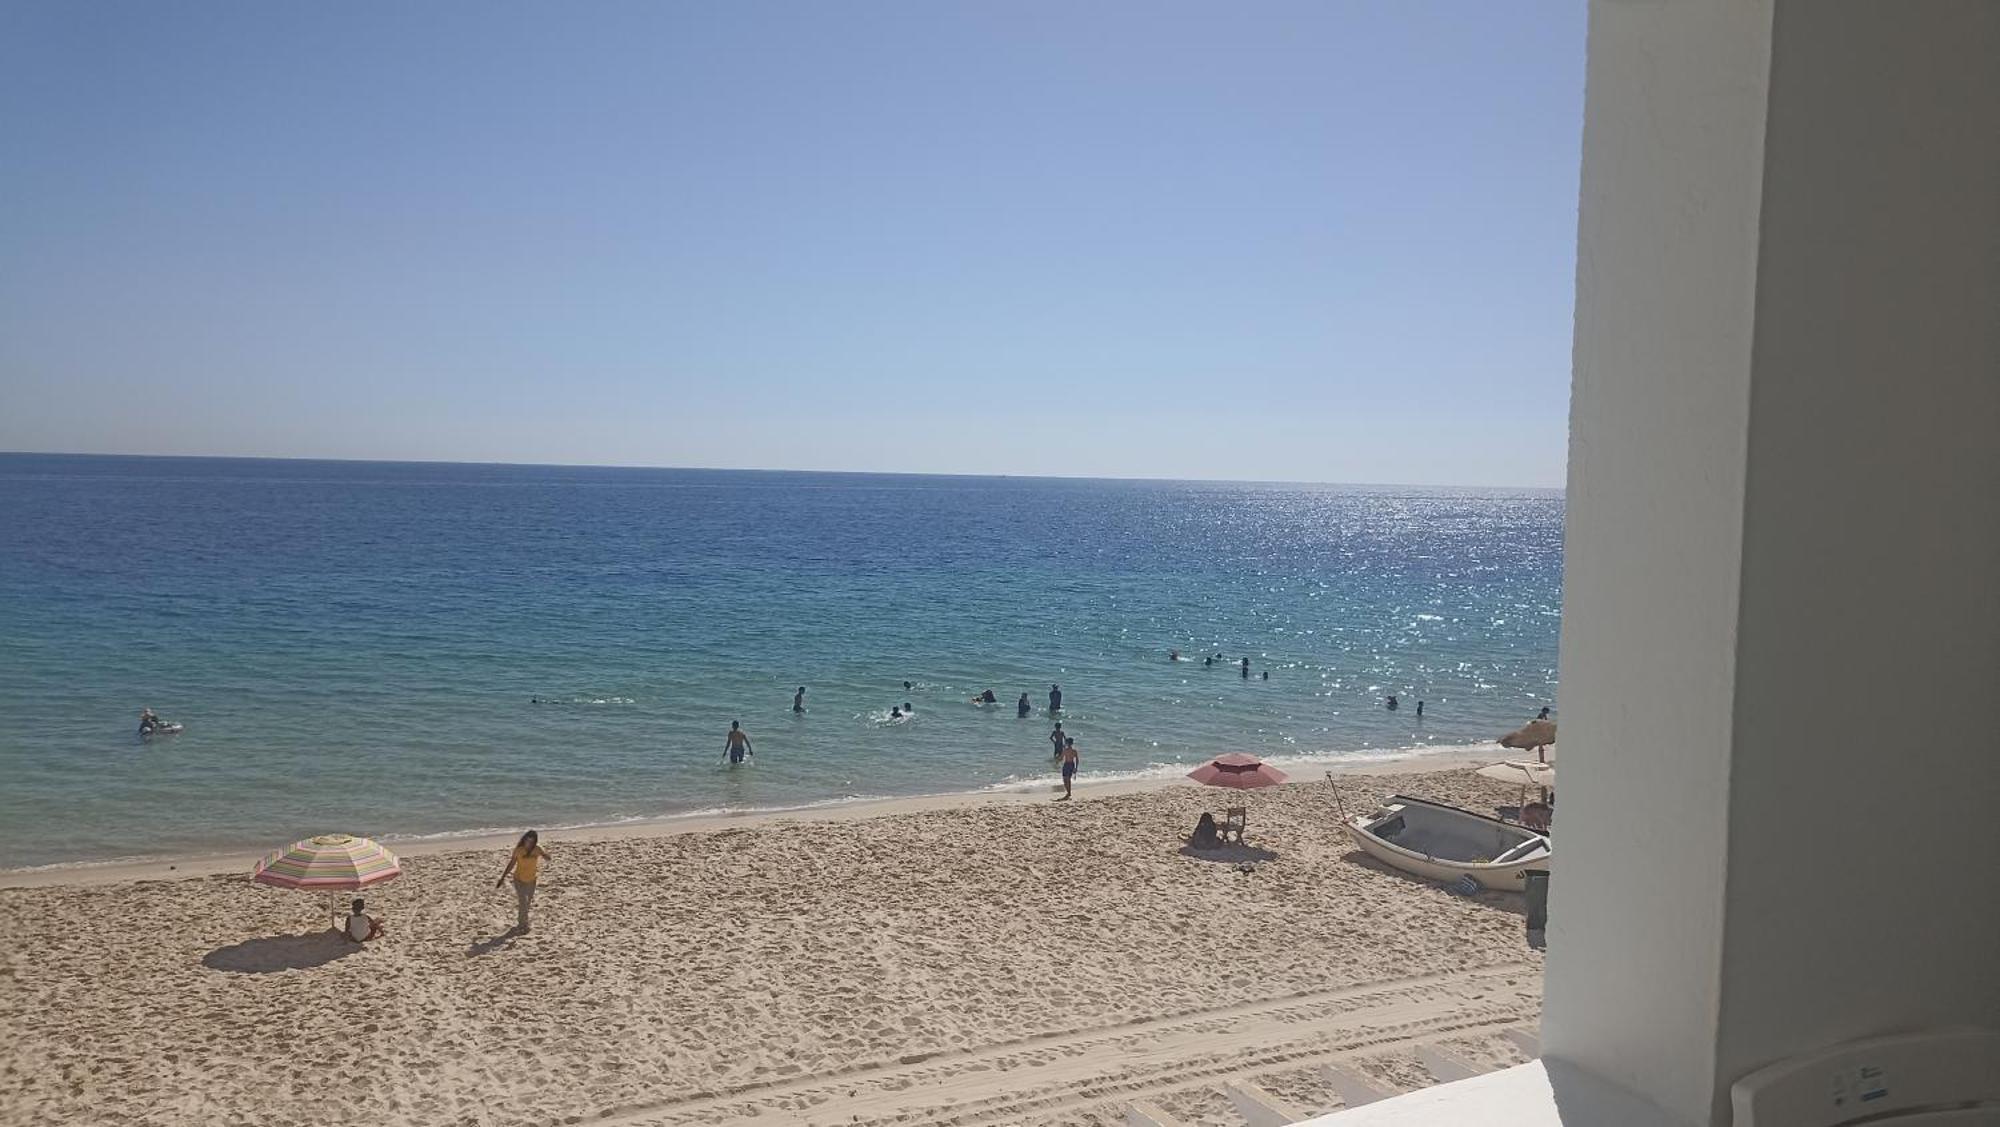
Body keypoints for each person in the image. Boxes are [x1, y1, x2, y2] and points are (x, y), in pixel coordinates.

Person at [496, 830, 548, 933]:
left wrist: (546, 856)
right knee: (523, 901)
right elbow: (511, 864)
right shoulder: (518, 850)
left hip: (532, 880)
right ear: (524, 840)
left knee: (527, 903)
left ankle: (523, 921)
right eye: (527, 841)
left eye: (532, 841)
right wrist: (503, 877)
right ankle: (522, 924)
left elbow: (545, 855)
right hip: (519, 879)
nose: (529, 843)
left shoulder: (537, 849)